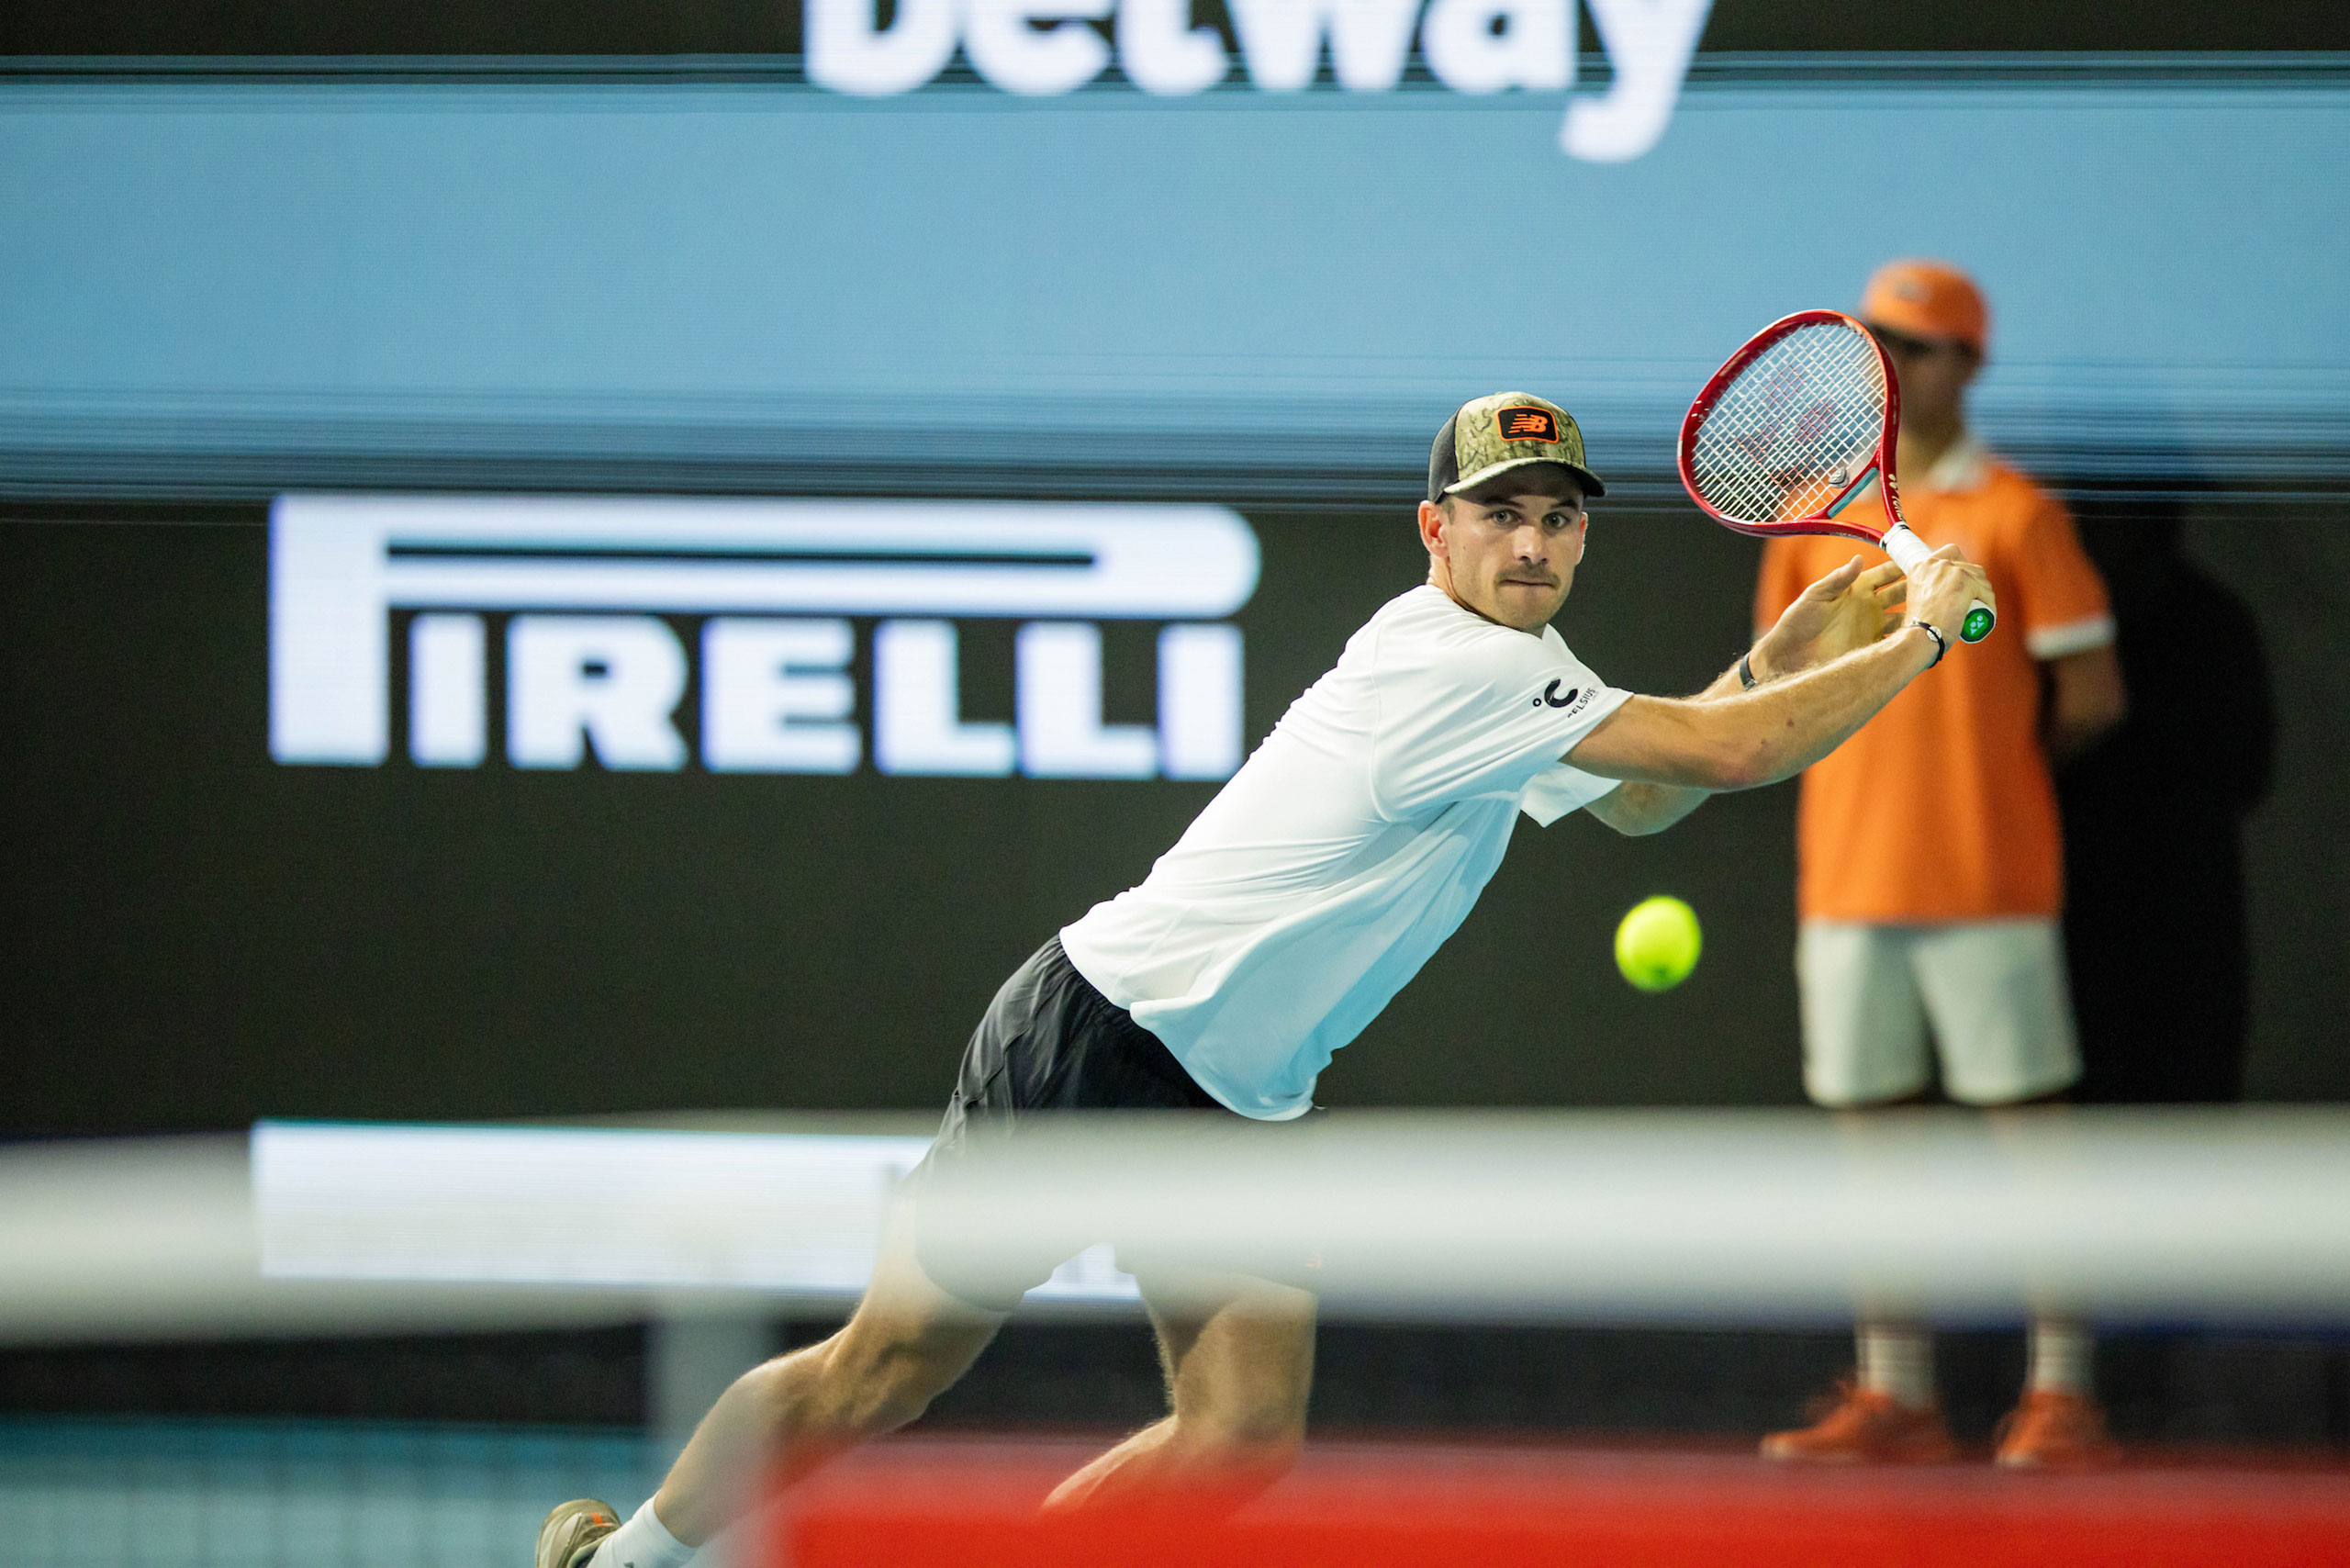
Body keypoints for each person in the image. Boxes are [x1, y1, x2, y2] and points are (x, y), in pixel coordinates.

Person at [538, 390, 1998, 1568]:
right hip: (1102, 1035)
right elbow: (1723, 758)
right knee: (885, 1370)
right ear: (1438, 528)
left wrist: (1783, 647)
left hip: (1239, 1097)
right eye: (1502, 515)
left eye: (1557, 519)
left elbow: (1645, 797)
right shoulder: (1456, 669)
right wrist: (1924, 632)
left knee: (1241, 1432)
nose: (1534, 543)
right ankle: (632, 1559)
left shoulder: (1520, 670)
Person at [1751, 261, 2129, 1470]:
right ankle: (1896, 1396)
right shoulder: (1816, 515)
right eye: (1879, 343)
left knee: (2032, 1144)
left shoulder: (2020, 513)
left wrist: (1980, 784)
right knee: (1874, 1148)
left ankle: (2063, 1397)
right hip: (1847, 884)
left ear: (1968, 362)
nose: (1895, 365)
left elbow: (2090, 697)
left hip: (1988, 882)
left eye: (1918, 345)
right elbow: (1774, 688)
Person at [2062, 495, 2274, 1104]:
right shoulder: (2062, 618)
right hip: (2106, 898)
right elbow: (2251, 773)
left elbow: (2248, 769)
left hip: (2178, 907)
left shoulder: (2210, 618)